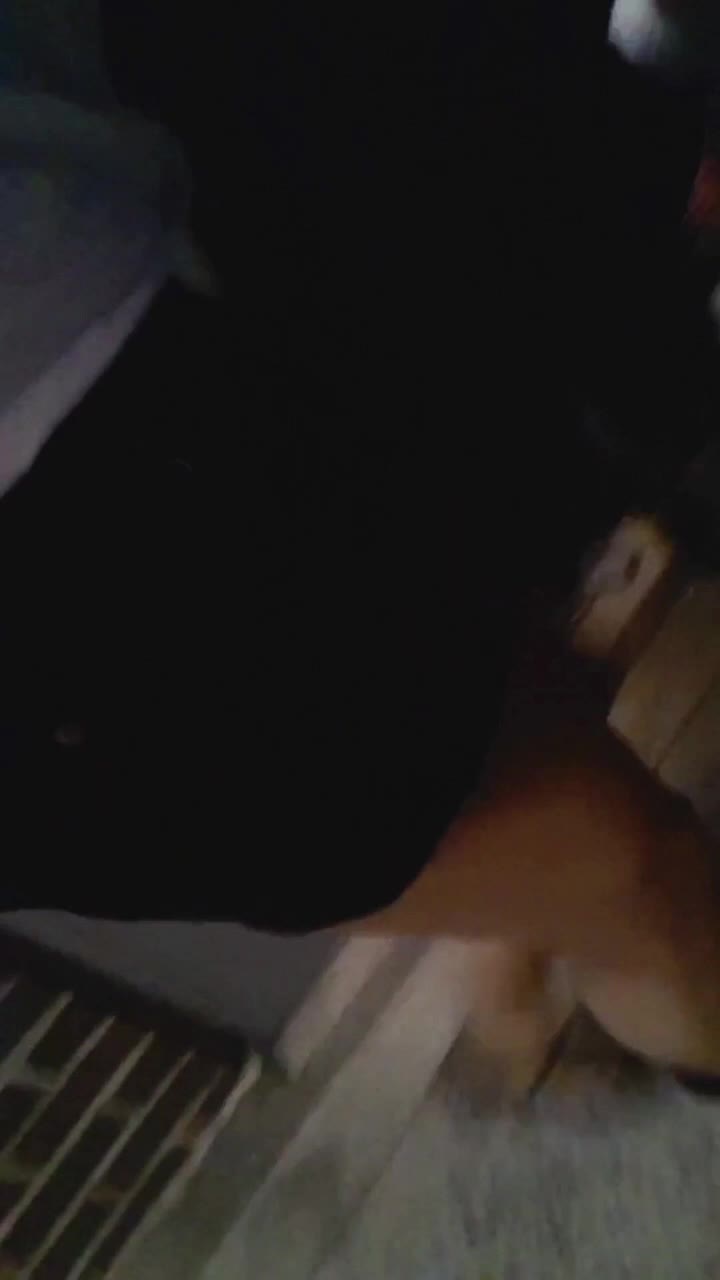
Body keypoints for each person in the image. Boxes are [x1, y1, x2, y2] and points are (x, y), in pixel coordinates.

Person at [1, 0, 720, 1084]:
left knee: (525, 664)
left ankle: (520, 953)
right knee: (623, 865)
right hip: (71, 520)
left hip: (150, 178)